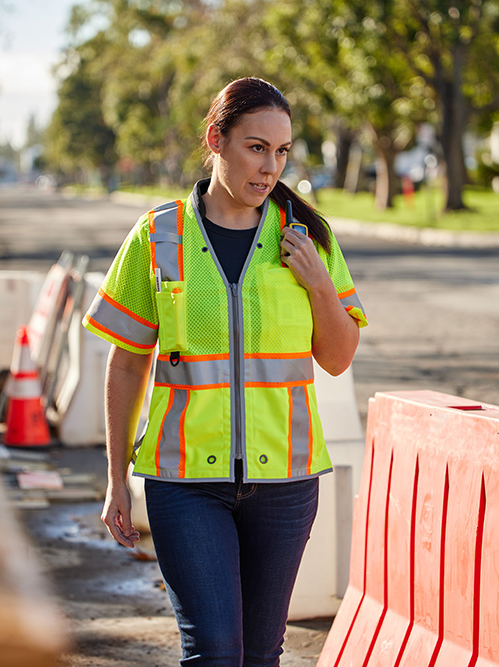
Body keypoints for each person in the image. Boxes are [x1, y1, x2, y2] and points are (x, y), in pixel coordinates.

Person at [83, 76, 367, 667]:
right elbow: (127, 361)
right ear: (217, 139)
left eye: (282, 151)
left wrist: (318, 283)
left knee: (261, 654)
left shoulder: (308, 236)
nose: (270, 167)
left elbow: (338, 358)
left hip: (286, 484)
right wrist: (115, 476)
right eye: (256, 147)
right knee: (214, 651)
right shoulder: (158, 236)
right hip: (185, 482)